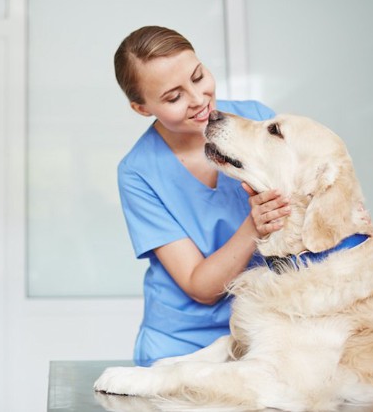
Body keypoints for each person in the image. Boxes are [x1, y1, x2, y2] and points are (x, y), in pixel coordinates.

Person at [114, 26, 291, 367]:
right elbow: (201, 286)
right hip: (183, 348)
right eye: (173, 97)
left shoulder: (256, 119)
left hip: (265, 333)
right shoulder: (137, 172)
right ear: (141, 107)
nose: (198, 99)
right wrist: (255, 225)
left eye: (198, 77)